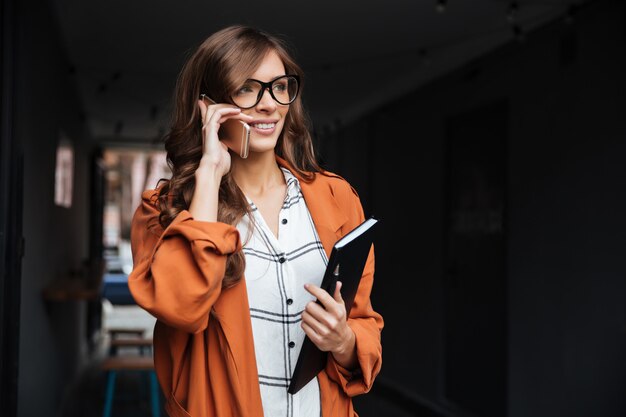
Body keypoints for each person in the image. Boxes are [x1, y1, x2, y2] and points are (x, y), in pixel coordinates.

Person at [128, 24, 383, 417]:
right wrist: (210, 173)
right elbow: (180, 307)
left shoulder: (337, 199)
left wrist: (344, 341)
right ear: (207, 105)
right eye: (247, 88)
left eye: (280, 86)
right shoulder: (163, 211)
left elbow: (363, 323)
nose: (269, 105)